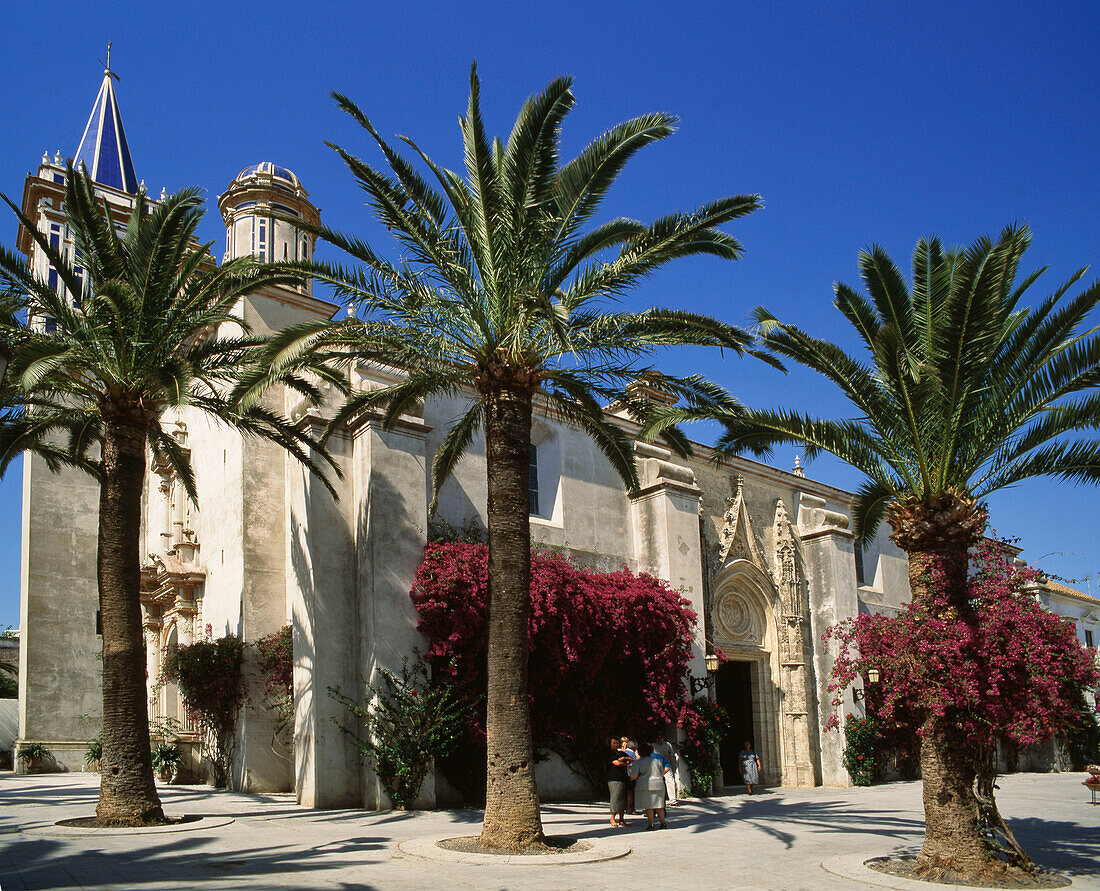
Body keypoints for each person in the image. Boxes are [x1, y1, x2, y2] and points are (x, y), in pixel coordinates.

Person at [628, 741, 669, 829]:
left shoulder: (637, 762)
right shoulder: (657, 761)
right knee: (659, 805)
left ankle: (651, 824)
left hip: (644, 785)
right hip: (658, 784)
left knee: (649, 806)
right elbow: (661, 772)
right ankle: (663, 823)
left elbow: (634, 775)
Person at [606, 736, 630, 827]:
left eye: (617, 743)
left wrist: (624, 759)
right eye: (614, 743)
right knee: (615, 798)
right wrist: (625, 763)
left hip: (623, 777)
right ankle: (612, 817)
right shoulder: (609, 753)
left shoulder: (621, 753)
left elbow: (632, 759)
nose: (616, 745)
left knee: (623, 799)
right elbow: (616, 763)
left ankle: (621, 819)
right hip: (613, 778)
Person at [651, 731, 680, 805]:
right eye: (658, 738)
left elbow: (672, 754)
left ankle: (672, 800)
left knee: (670, 781)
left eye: (661, 737)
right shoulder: (653, 746)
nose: (660, 739)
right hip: (656, 766)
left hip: (666, 765)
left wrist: (667, 757)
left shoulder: (667, 745)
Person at [622, 737, 639, 813]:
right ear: (635, 746)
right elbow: (629, 765)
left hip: (625, 775)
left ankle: (628, 807)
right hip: (630, 776)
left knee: (628, 792)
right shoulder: (631, 754)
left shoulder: (624, 751)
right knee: (630, 792)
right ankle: (630, 808)